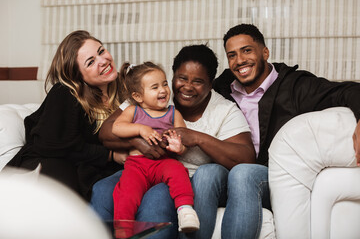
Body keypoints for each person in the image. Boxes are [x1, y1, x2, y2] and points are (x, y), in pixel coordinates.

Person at [212, 23, 360, 237]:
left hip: (270, 179)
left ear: (265, 52)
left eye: (246, 51)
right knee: (206, 175)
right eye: (232, 55)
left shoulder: (294, 86)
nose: (239, 61)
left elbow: (348, 91)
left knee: (243, 174)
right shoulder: (221, 89)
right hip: (227, 172)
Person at [95, 44, 257, 239]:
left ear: (211, 82)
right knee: (102, 189)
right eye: (181, 78)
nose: (187, 87)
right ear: (173, 76)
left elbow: (246, 157)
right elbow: (107, 131)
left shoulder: (224, 111)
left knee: (156, 199)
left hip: (175, 173)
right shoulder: (151, 92)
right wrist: (139, 141)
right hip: (138, 166)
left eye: (198, 81)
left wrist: (197, 138)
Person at [5, 30, 122, 201]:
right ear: (77, 75)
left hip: (89, 168)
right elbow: (55, 144)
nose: (103, 61)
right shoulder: (66, 92)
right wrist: (110, 155)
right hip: (45, 166)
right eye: (90, 62)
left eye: (101, 51)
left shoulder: (124, 92)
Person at [111, 61, 200, 234]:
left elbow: (184, 140)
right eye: (155, 87)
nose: (163, 90)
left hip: (164, 162)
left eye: (165, 84)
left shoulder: (174, 113)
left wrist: (179, 147)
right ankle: (123, 229)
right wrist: (140, 128)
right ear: (138, 96)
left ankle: (185, 210)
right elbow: (117, 128)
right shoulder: (133, 111)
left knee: (178, 171)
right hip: (137, 165)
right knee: (126, 193)